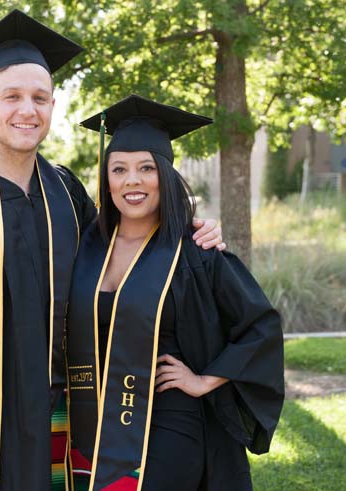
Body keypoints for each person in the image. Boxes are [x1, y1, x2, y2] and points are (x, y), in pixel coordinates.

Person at [0, 11, 225, 491]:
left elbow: (126, 256)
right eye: (12, 97)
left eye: (39, 98)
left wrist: (191, 230)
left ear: (52, 106)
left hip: (62, 412)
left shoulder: (67, 195)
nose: (27, 110)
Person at [66, 95, 285, 491]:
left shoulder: (194, 252)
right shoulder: (87, 245)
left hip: (169, 421)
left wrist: (204, 380)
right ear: (106, 179)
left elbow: (261, 326)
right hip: (94, 418)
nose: (132, 180)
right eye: (119, 169)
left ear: (164, 176)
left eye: (146, 168)